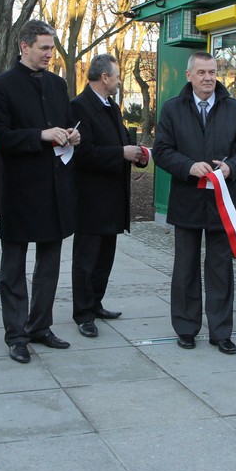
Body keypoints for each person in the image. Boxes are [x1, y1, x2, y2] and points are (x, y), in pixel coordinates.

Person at [0, 20, 80, 364]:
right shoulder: (0, 86)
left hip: (55, 188)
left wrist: (72, 135)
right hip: (19, 189)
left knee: (50, 264)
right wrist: (40, 135)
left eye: (52, 48)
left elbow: (65, 124)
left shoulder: (57, 85)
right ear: (24, 47)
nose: (49, 55)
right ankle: (16, 334)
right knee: (13, 267)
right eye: (43, 48)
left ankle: (40, 325)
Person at [153, 52, 236, 354]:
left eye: (212, 72)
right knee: (185, 267)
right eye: (201, 72)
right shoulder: (172, 109)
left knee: (220, 268)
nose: (208, 77)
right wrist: (188, 166)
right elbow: (161, 151)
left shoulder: (235, 110)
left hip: (222, 204)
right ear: (189, 76)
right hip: (186, 201)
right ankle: (185, 328)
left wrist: (231, 169)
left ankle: (221, 331)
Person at [70, 54, 146, 337]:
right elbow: (82, 153)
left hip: (114, 197)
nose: (119, 81)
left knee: (105, 257)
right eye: (116, 76)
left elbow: (121, 143)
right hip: (90, 199)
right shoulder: (79, 107)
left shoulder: (111, 106)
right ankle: (83, 313)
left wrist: (136, 154)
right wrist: (120, 153)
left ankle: (96, 303)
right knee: (86, 259)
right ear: (104, 77)